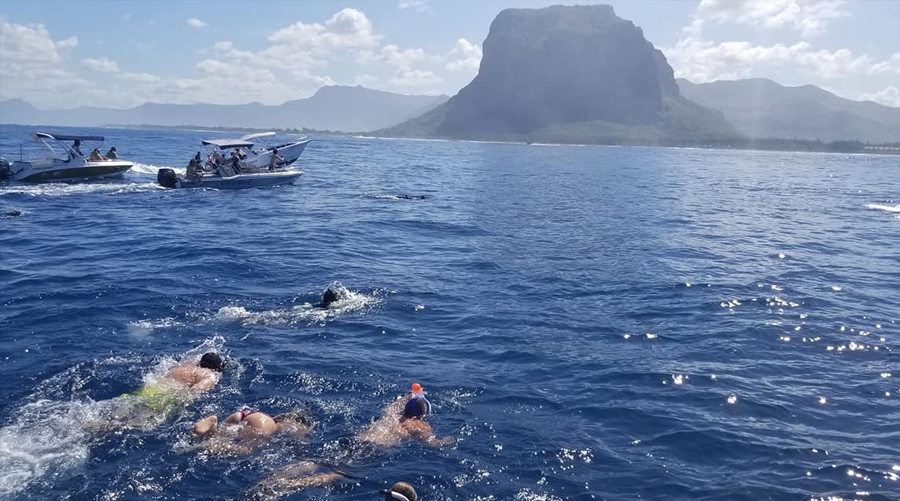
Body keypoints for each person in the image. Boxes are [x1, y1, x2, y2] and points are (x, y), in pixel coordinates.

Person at [191, 408, 311, 456]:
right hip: (262, 423)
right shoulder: (273, 425)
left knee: (220, 435)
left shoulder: (269, 417)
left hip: (244, 414)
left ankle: (211, 426)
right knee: (248, 450)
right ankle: (207, 446)